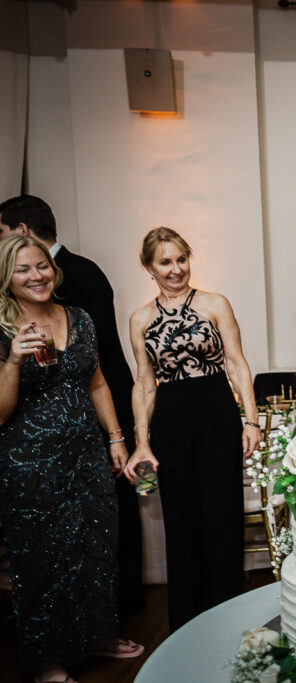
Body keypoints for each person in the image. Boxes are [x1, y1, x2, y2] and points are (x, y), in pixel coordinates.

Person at [0, 235, 143, 683]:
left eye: (41, 265)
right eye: (23, 269)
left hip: (86, 455)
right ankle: (48, 661)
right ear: (7, 277)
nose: (36, 275)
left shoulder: (78, 317)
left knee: (97, 546)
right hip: (30, 462)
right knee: (43, 559)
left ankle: (97, 635)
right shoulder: (3, 328)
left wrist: (117, 438)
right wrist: (11, 364)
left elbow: (97, 382)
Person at [124, 227, 260, 631]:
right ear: (149, 267)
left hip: (217, 415)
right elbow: (145, 384)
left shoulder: (215, 304)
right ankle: (187, 627)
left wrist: (250, 420)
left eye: (181, 259)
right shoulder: (140, 319)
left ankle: (229, 620)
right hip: (171, 422)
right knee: (181, 524)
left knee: (221, 517)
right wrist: (141, 442)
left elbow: (236, 363)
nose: (176, 269)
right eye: (165, 262)